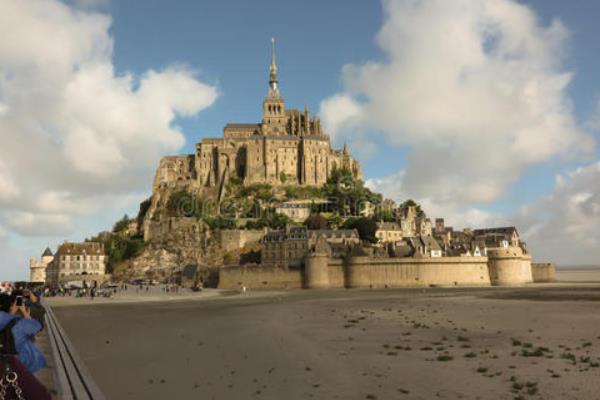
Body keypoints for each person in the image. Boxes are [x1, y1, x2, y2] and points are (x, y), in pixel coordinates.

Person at [0, 293, 46, 374]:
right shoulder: (20, 321)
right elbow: (39, 331)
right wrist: (24, 313)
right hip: (18, 363)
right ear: (10, 305)